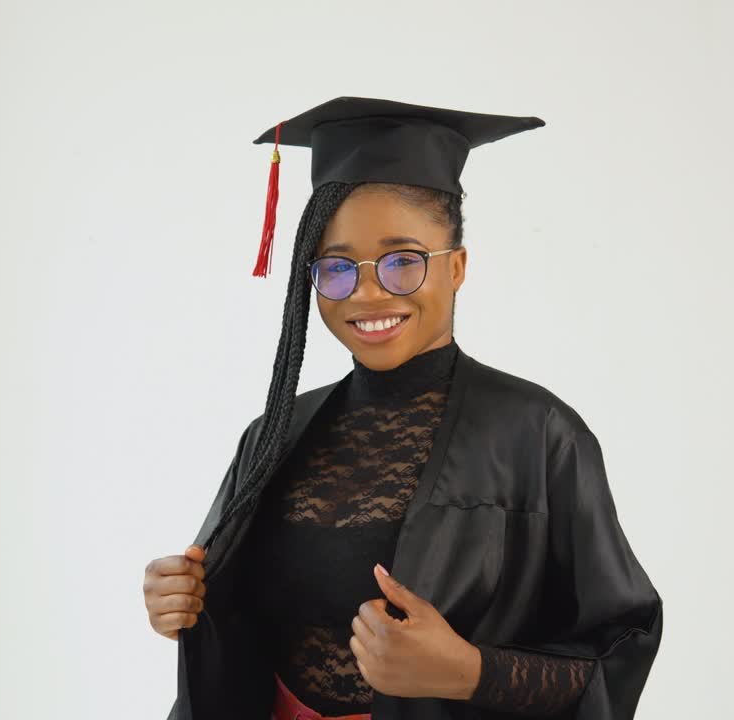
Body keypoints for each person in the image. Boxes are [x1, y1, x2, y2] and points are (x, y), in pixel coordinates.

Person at [143, 97, 663, 720]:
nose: (367, 291)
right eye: (336, 268)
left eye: (402, 262)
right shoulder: (276, 435)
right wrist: (182, 600)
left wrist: (470, 672)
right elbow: (229, 620)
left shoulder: (538, 435)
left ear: (457, 268)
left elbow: (618, 651)